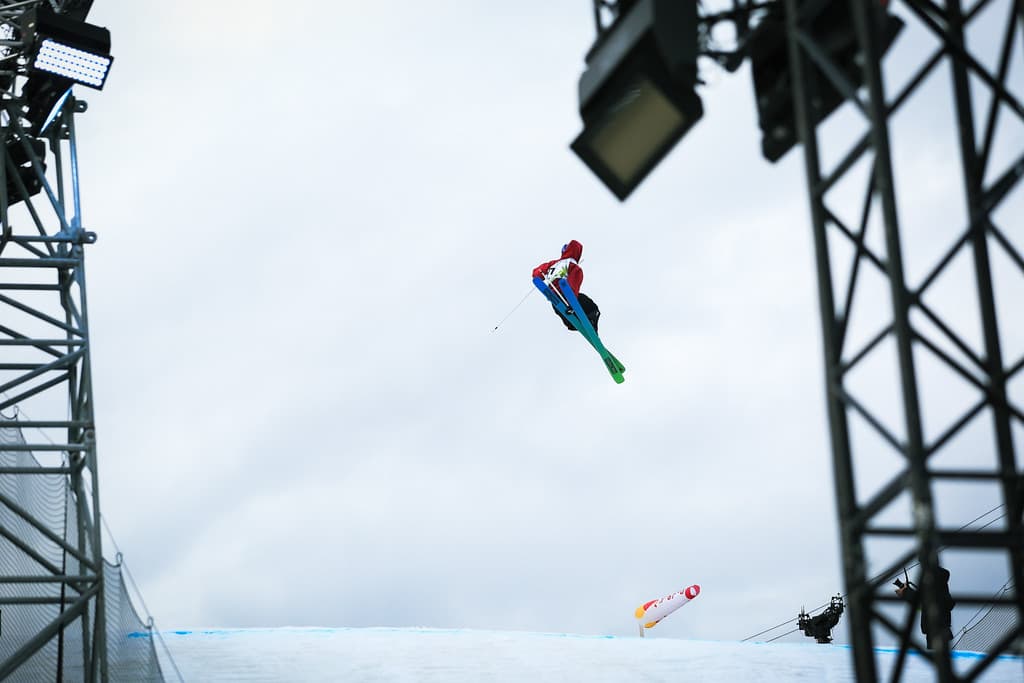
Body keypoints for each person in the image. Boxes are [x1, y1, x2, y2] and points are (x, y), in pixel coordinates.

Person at [532, 240, 601, 333]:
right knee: (591, 306)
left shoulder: (553, 263)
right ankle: (591, 322)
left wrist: (539, 274)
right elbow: (574, 282)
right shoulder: (574, 266)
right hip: (566, 296)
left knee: (564, 313)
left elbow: (536, 273)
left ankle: (573, 323)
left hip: (555, 300)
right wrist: (572, 300)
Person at [894, 566, 955, 649]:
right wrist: (905, 590)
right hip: (939, 629)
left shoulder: (937, 589)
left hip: (936, 630)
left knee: (937, 653)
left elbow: (921, 600)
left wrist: (905, 591)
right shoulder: (941, 589)